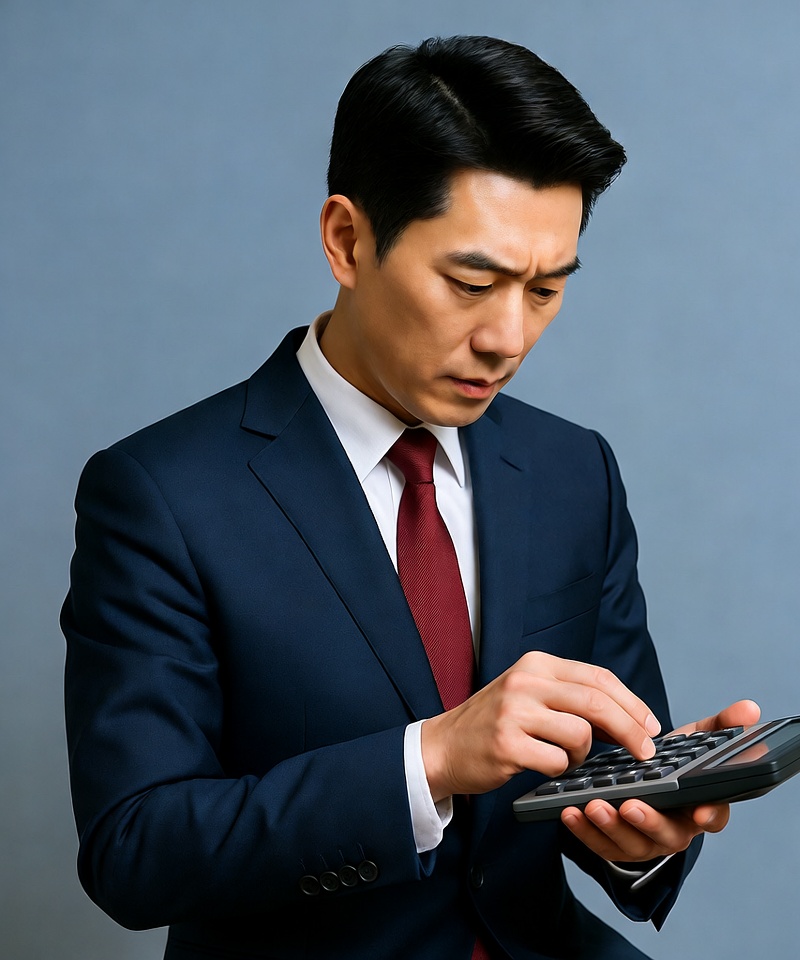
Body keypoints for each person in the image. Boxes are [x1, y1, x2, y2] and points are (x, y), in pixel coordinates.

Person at [62, 35, 759, 960]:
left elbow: (609, 795)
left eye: (547, 289)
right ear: (346, 241)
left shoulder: (572, 471)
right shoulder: (161, 495)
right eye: (472, 283)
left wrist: (647, 830)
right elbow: (134, 851)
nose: (508, 337)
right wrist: (430, 759)